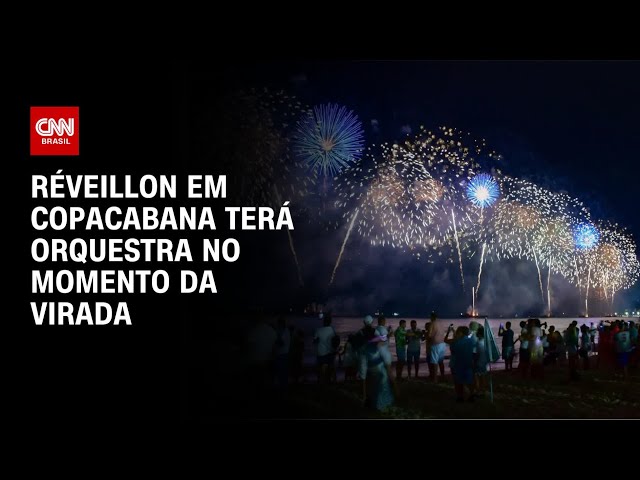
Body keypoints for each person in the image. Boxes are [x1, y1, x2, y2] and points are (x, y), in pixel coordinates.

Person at [359, 327, 394, 411]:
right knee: (380, 388)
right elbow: (384, 338)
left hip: (373, 370)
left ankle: (374, 404)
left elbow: (363, 365)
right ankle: (380, 405)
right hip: (378, 370)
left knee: (375, 388)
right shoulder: (374, 344)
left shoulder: (365, 346)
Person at [445, 325, 476, 402]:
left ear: (461, 333)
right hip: (468, 363)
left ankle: (460, 397)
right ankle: (471, 395)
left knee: (458, 382)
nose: (457, 333)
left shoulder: (456, 342)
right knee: (469, 381)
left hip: (458, 364)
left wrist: (450, 333)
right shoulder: (471, 341)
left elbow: (449, 345)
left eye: (458, 332)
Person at [313, 313, 337, 384]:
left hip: (321, 354)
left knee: (319, 368)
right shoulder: (332, 330)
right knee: (331, 366)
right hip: (329, 354)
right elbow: (334, 342)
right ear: (330, 322)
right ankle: (332, 380)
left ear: (323, 322)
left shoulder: (318, 330)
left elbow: (314, 341)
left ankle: (320, 380)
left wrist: (318, 340)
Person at [425, 312, 446, 382]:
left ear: (431, 317)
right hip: (442, 344)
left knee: (435, 362)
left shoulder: (432, 323)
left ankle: (435, 378)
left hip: (435, 344)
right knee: (441, 361)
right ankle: (443, 376)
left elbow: (430, 335)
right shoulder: (441, 323)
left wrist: (426, 336)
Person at [273, 316, 290, 390]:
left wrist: (276, 338)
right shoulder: (286, 331)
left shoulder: (283, 331)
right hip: (284, 353)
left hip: (281, 354)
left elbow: (281, 343)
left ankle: (282, 387)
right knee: (283, 372)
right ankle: (283, 386)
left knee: (281, 371)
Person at [474, 325, 488, 395]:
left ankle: (478, 391)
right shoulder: (486, 342)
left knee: (476, 377)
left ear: (478, 334)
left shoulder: (478, 343)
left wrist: (474, 361)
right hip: (485, 362)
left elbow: (476, 354)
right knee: (483, 377)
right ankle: (484, 390)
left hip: (478, 362)